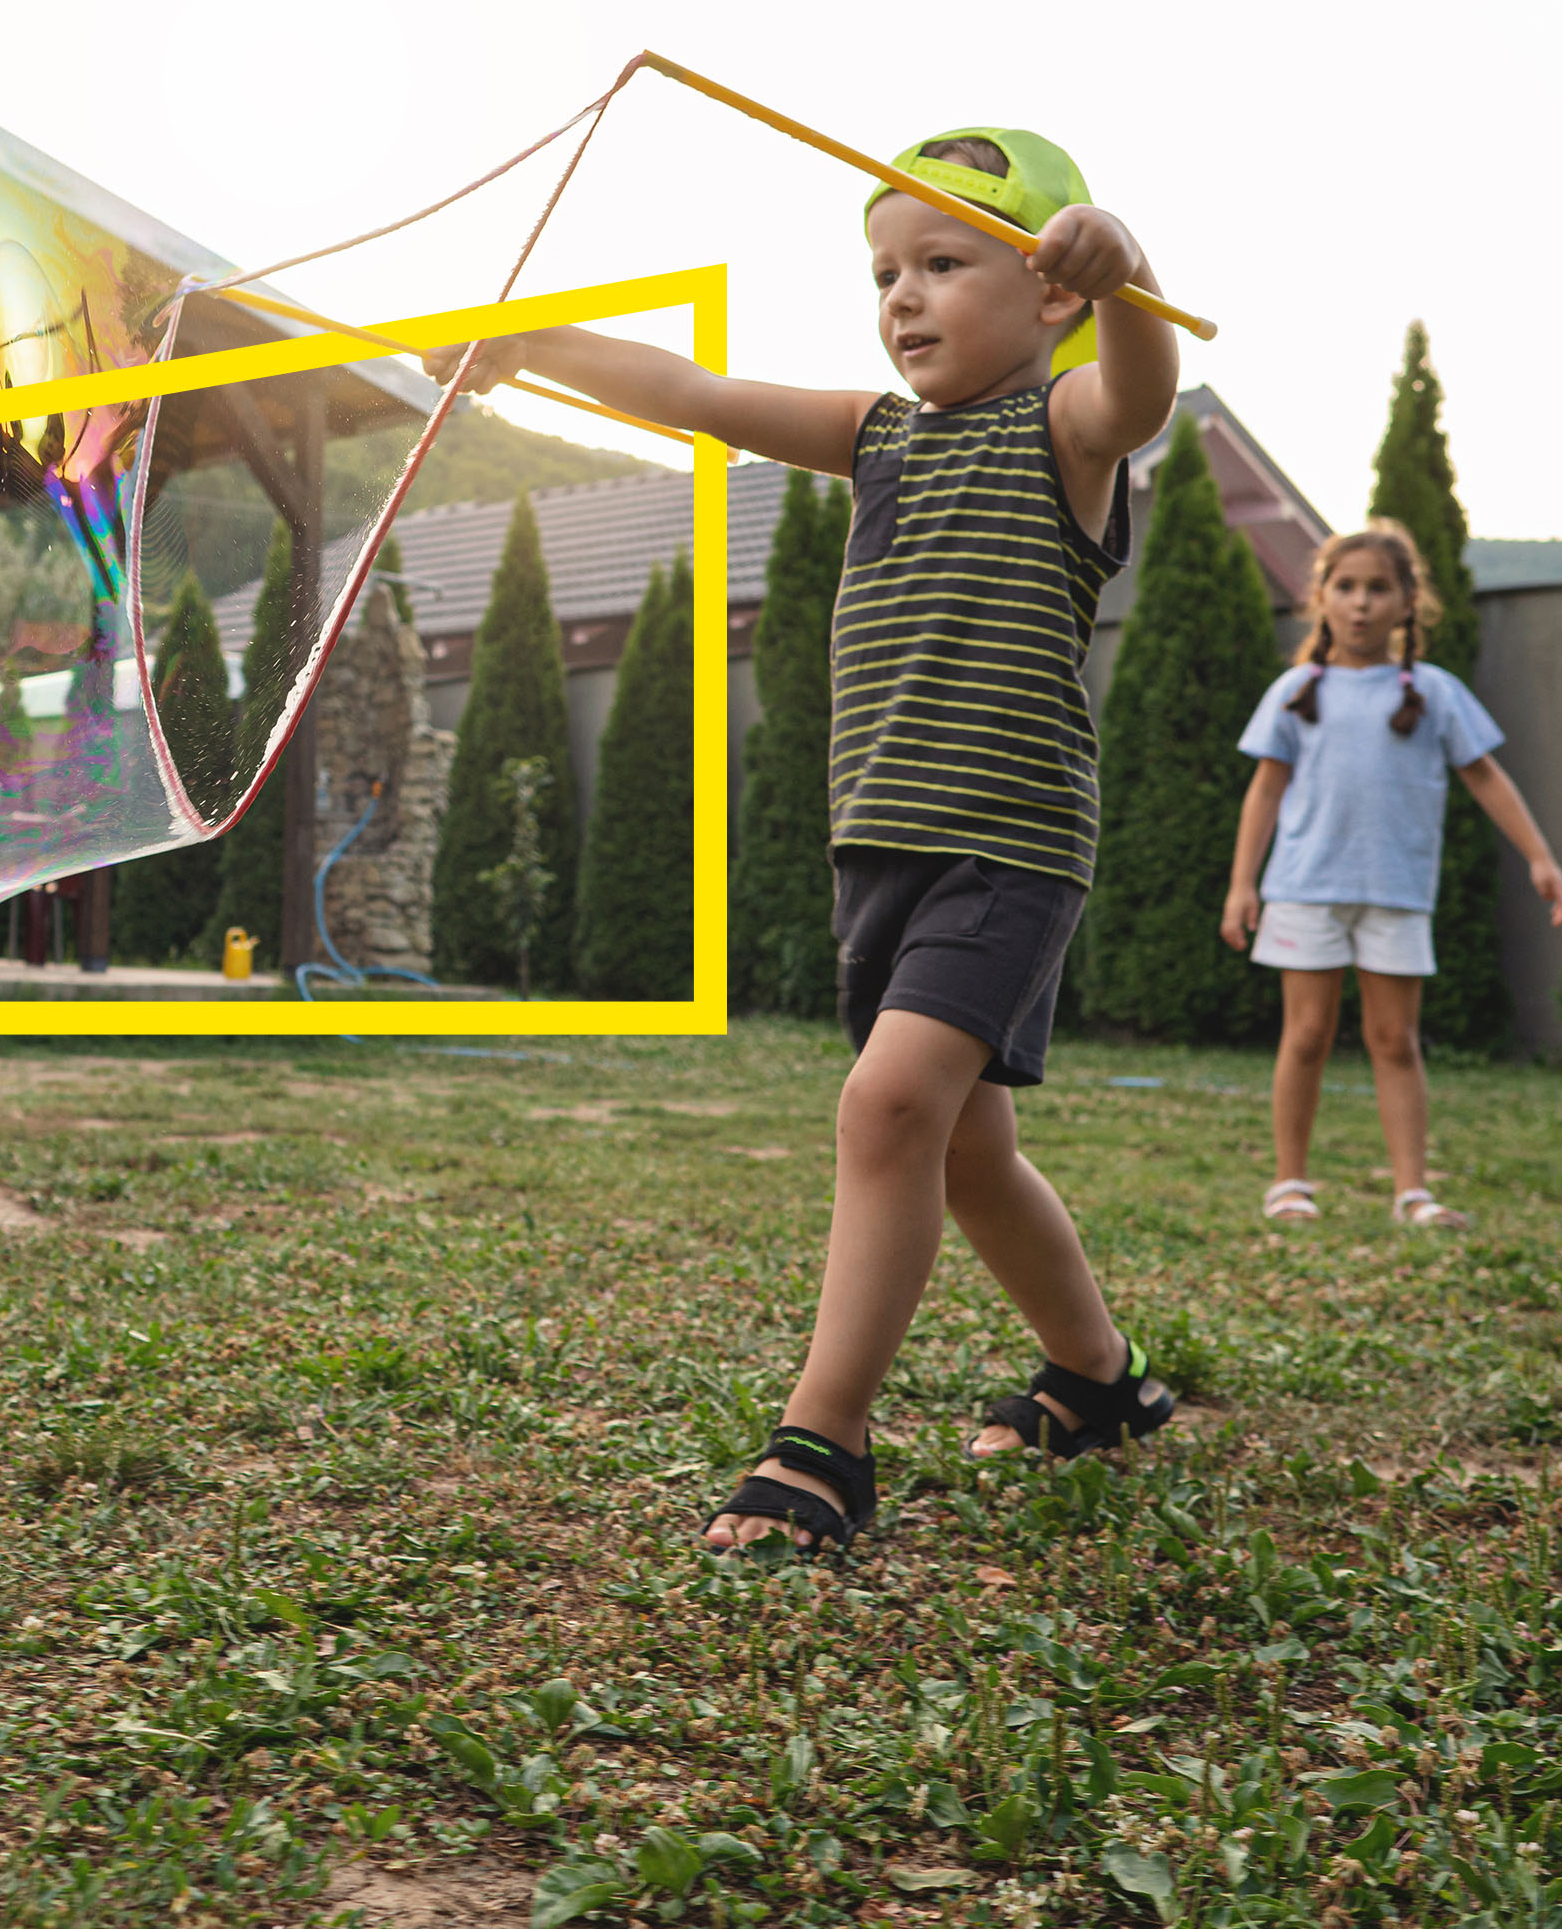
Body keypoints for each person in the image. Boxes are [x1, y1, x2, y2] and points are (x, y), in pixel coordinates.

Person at [428, 127, 1180, 1558]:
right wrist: (526, 346)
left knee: (886, 1109)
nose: (903, 296)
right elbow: (697, 393)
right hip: (882, 846)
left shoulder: (1065, 429)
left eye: (946, 263)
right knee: (963, 1155)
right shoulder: (874, 436)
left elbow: (1139, 398)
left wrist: (1129, 268)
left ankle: (821, 1444)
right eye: (886, 270)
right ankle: (1096, 1381)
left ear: (1051, 296)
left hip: (1007, 844)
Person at [1221, 521, 1562, 1230]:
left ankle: (1413, 1192)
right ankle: (1289, 1183)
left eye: (1378, 589)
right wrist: (1242, 884)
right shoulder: (1295, 689)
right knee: (1306, 1035)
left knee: (1395, 1041)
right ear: (1321, 597)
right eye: (1345, 587)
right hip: (1302, 891)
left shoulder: (1435, 692)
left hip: (1397, 895)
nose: (1360, 604)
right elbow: (1265, 789)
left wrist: (1539, 856)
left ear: (1408, 601)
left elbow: (1485, 775)